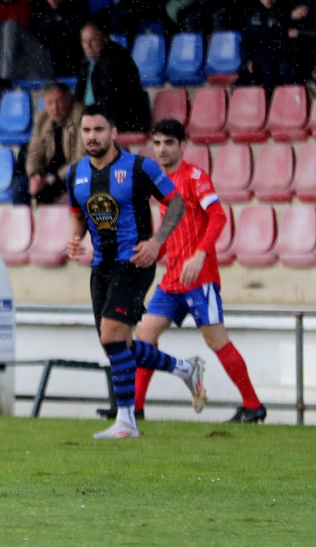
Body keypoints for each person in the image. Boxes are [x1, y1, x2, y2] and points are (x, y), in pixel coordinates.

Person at [66, 104, 206, 439]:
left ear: (113, 132)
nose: (92, 137)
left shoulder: (140, 167)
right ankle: (185, 369)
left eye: (99, 130)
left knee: (112, 336)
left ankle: (126, 421)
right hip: (100, 267)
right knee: (115, 344)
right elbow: (77, 211)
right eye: (86, 131)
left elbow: (176, 203)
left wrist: (157, 242)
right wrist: (75, 239)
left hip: (135, 263)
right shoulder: (76, 174)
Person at [135, 119, 266, 424]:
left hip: (199, 278)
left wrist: (199, 255)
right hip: (172, 280)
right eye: (157, 143)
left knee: (216, 340)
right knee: (144, 336)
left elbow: (218, 215)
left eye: (169, 142)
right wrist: (152, 251)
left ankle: (253, 405)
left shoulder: (195, 176)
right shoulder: (160, 184)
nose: (162, 149)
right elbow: (173, 233)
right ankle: (135, 408)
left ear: (182, 145)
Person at [75, 23, 149, 133]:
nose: (88, 45)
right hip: (95, 114)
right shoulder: (87, 60)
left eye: (92, 40)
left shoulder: (116, 59)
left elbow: (111, 101)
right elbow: (79, 93)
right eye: (84, 41)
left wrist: (89, 114)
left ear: (104, 39)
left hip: (122, 119)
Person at [19, 82, 85, 205]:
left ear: (69, 100)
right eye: (49, 103)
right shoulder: (42, 119)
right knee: (20, 186)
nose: (54, 108)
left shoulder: (81, 116)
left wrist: (52, 178)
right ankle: (23, 224)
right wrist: (35, 175)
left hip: (71, 175)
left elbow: (82, 158)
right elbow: (34, 152)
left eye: (59, 102)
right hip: (48, 175)